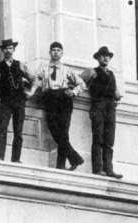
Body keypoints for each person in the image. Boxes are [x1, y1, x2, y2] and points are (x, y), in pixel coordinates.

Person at [34, 42, 83, 170]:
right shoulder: (43, 68)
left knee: (64, 132)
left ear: (62, 53)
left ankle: (60, 165)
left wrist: (73, 92)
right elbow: (35, 80)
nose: (56, 52)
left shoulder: (67, 69)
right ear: (50, 53)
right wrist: (33, 89)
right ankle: (75, 158)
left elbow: (81, 84)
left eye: (58, 50)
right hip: (50, 98)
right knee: (54, 129)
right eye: (53, 50)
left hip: (64, 98)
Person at [0, 39, 33, 163]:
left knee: (18, 132)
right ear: (2, 50)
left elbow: (34, 78)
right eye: (5, 48)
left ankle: (16, 159)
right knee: (2, 129)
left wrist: (31, 91)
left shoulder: (20, 64)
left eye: (10, 48)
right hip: (6, 101)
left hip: (20, 101)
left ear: (13, 50)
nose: (8, 50)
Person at [82, 47, 122, 179]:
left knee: (109, 139)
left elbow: (116, 93)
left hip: (110, 108)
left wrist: (117, 95)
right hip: (98, 106)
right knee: (98, 137)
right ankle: (97, 168)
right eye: (102, 56)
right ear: (98, 58)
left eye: (107, 56)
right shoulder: (92, 72)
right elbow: (77, 81)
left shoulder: (112, 74)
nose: (105, 58)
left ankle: (109, 169)